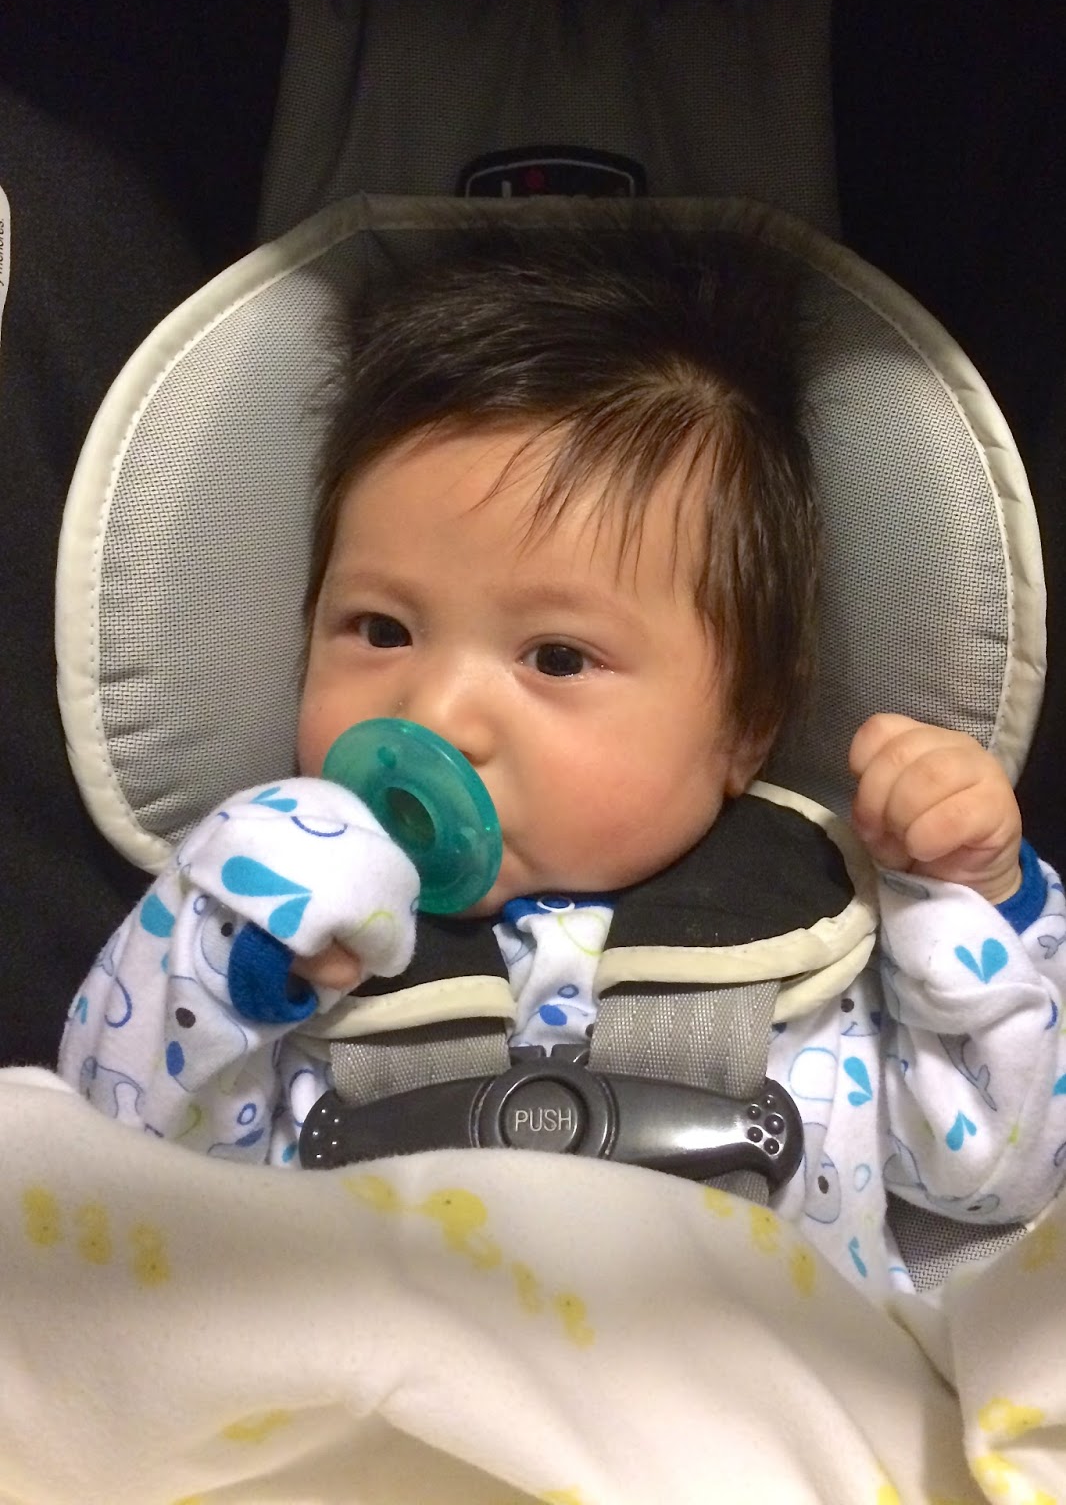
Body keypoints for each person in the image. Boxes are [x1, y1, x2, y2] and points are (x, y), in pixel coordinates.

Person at [58, 219, 1066, 1298]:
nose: (436, 712)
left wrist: (970, 901)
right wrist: (221, 954)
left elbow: (1003, 1177)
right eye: (381, 630)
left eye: (555, 656)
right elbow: (122, 1194)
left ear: (746, 723)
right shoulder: (284, 939)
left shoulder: (827, 943)